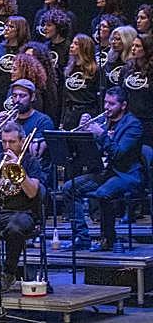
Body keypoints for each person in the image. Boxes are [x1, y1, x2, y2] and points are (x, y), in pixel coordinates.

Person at [60, 87, 144, 251]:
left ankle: (108, 239)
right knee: (69, 188)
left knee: (103, 193)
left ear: (123, 105)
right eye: (105, 102)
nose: (106, 107)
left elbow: (119, 154)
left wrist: (101, 134)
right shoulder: (104, 122)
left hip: (127, 175)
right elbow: (93, 152)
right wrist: (85, 132)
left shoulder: (133, 125)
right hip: (107, 172)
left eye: (111, 104)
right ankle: (82, 237)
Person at [0, 122, 43, 291]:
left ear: (22, 141)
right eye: (4, 142)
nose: (7, 147)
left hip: (24, 212)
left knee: (14, 229)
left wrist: (18, 171)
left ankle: (9, 273)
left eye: (12, 142)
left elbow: (32, 192)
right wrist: (4, 178)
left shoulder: (31, 162)